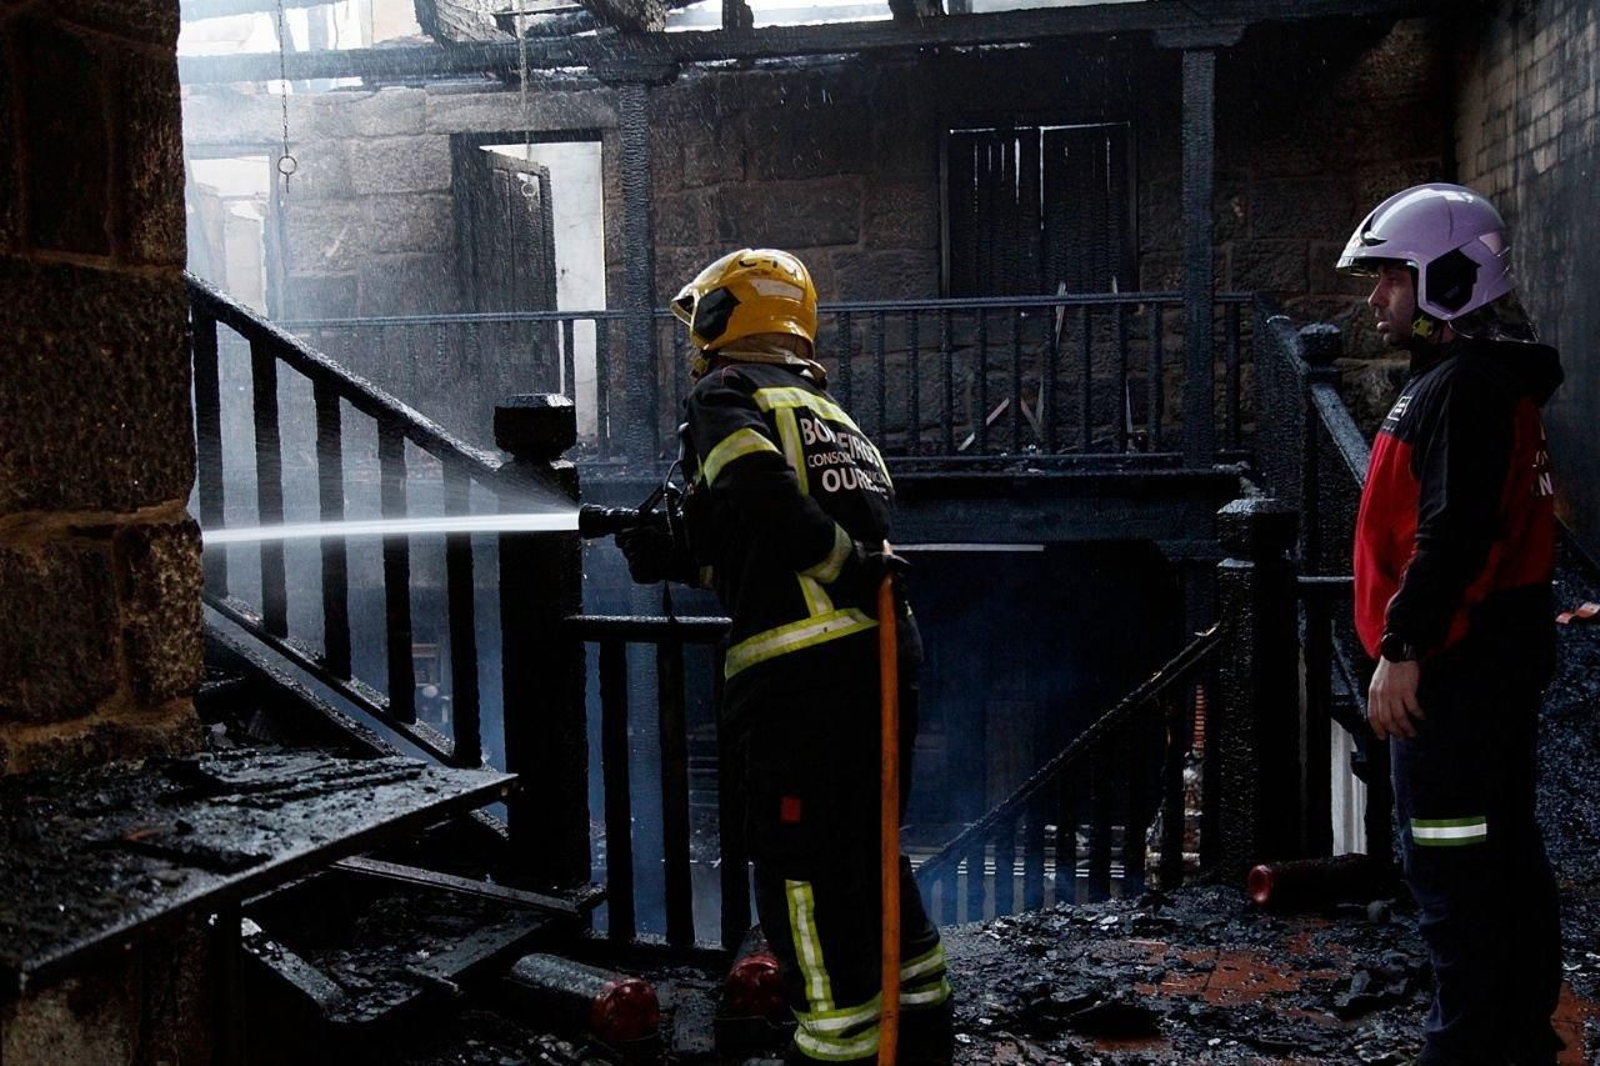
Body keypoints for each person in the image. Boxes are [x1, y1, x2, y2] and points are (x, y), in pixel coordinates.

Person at [616, 249, 954, 1065]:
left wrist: (839, 563)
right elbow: (765, 537)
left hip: (803, 683)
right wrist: (677, 555)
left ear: (728, 317)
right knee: (869, 852)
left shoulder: (725, 394)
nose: (696, 339)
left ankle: (831, 1049)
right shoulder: (824, 410)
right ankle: (922, 1030)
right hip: (880, 659)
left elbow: (760, 490)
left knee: (801, 875)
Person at [1337, 183, 1564, 1065]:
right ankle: (1512, 1038)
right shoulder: (1464, 381)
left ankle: (1468, 1048)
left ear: (1445, 277)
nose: (1375, 296)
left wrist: (1403, 648)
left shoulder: (1465, 387)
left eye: (1390, 277)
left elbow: (1456, 536)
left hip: (1455, 678)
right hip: (1487, 664)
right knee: (1501, 854)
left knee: (1452, 868)